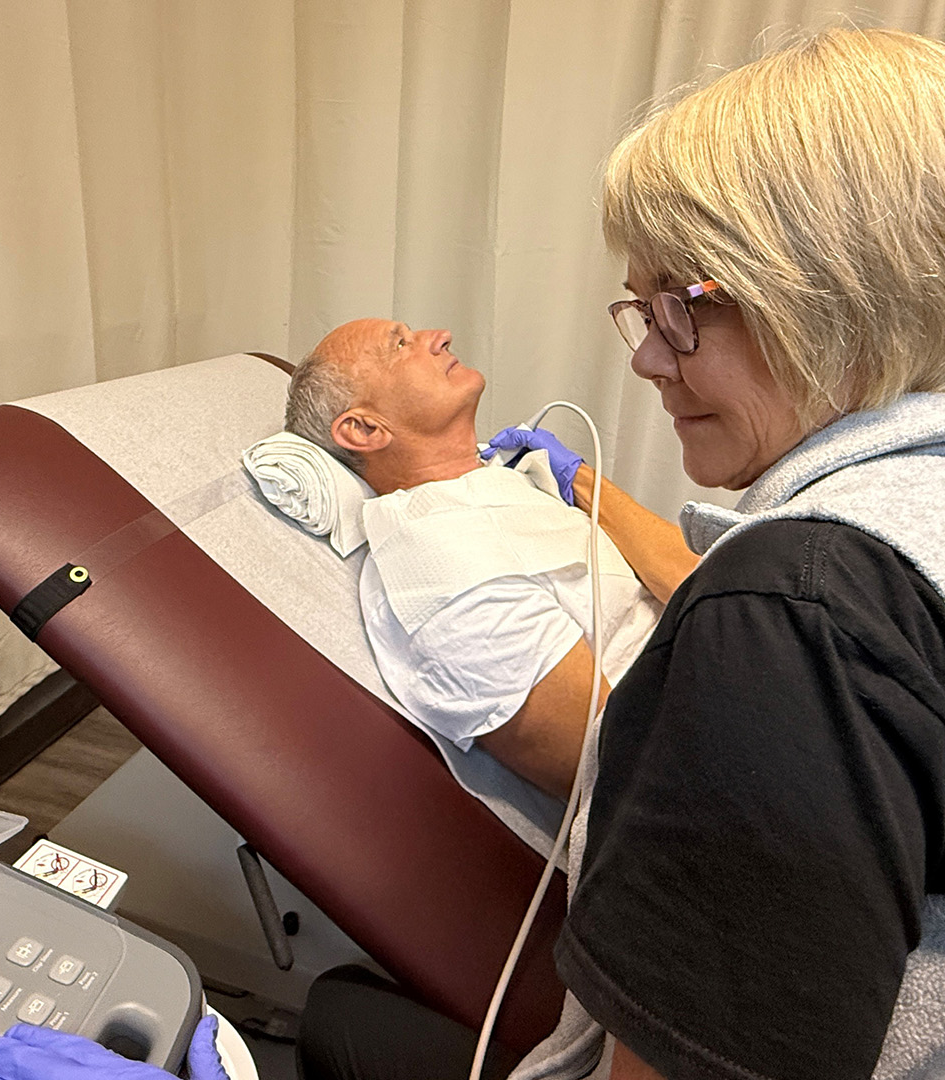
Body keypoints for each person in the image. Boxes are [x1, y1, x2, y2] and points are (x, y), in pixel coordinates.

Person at [0, 26, 945, 1080]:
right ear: (361, 432)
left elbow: (745, 669)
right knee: (345, 1013)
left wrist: (591, 499)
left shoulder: (788, 614)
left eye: (670, 309)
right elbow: (629, 753)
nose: (644, 360)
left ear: (810, 293)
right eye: (393, 343)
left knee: (346, 1024)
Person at [279, 317, 671, 802]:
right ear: (363, 429)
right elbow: (626, 772)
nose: (439, 335)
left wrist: (586, 484)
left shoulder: (506, 482)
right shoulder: (435, 564)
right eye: (401, 345)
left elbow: (694, 581)